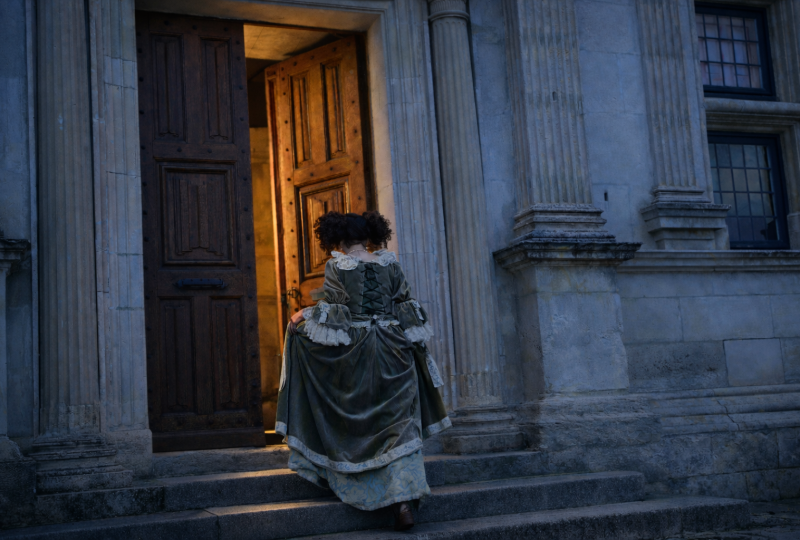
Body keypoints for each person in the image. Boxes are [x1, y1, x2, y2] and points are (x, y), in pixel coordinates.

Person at [275, 211, 451, 531]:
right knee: (399, 424)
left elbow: (337, 310)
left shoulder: (336, 265)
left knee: (360, 422)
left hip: (356, 353)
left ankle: (352, 480)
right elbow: (405, 304)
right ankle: (403, 502)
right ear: (368, 234)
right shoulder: (390, 263)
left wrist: (303, 315)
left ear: (337, 238)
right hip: (394, 350)